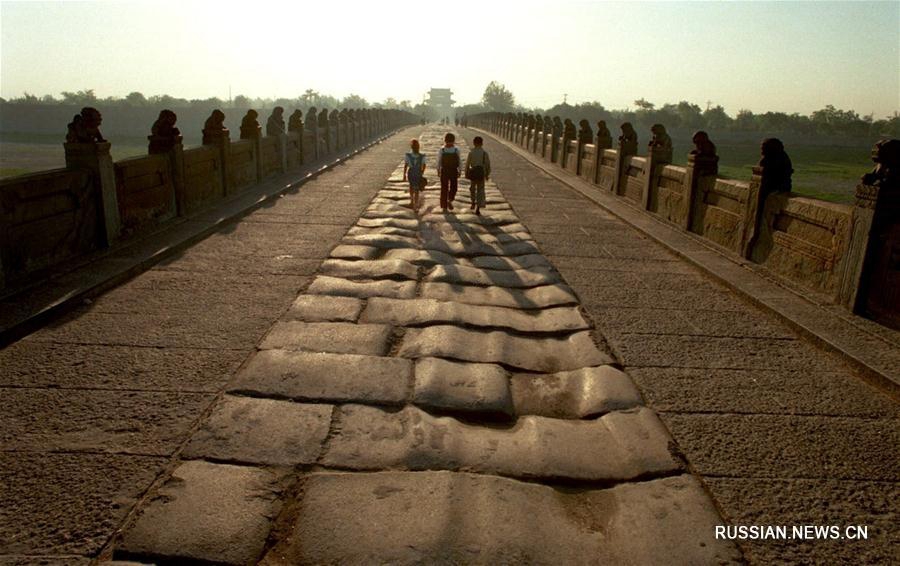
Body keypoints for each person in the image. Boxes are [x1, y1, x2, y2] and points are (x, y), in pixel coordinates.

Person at [464, 136, 491, 215]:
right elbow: (487, 165)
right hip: (481, 173)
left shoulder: (471, 153)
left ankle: (473, 201)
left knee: (472, 188)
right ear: (482, 143)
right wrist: (487, 174)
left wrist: (466, 173)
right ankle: (478, 207)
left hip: (473, 173)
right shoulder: (484, 153)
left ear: (474, 143)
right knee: (480, 190)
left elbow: (467, 164)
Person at [436, 132, 461, 212]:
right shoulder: (456, 150)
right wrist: (460, 170)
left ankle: (444, 205)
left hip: (445, 170)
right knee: (454, 187)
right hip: (453, 170)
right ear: (453, 140)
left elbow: (439, 161)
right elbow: (460, 161)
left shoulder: (442, 150)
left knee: (444, 187)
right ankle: (450, 199)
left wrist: (438, 170)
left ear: (445, 140)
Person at [403, 139, 426, 211]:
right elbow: (424, 165)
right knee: (416, 189)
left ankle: (411, 201)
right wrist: (422, 172)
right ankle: (416, 205)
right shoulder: (422, 156)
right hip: (418, 172)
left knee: (411, 186)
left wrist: (404, 174)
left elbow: (406, 165)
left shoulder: (408, 155)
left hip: (411, 172)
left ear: (411, 147)